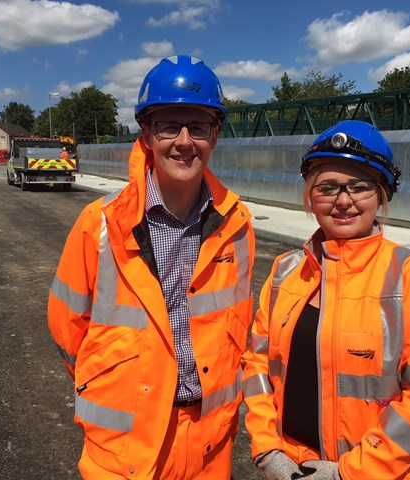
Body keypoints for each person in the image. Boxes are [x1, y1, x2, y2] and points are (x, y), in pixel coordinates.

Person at [48, 55, 256, 479]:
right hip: (124, 447)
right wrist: (115, 380)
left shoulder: (238, 224)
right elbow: (68, 329)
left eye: (198, 126)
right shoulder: (100, 223)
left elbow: (239, 326)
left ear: (214, 135)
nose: (184, 141)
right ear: (145, 134)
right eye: (168, 126)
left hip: (209, 444)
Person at [242, 120, 410, 480]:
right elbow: (257, 368)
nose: (343, 201)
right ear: (309, 196)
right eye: (328, 187)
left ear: (381, 194)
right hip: (293, 466)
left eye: (359, 187)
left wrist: (349, 472)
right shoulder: (286, 270)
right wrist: (268, 448)